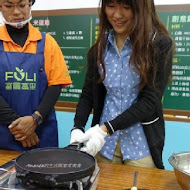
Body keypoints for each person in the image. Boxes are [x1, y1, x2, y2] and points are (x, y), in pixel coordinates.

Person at [70, 0, 175, 169]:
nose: (117, 15)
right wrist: (77, 128)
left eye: (127, 7)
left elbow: (150, 101)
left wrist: (105, 129)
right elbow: (88, 94)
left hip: (140, 145)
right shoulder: (100, 48)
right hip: (104, 145)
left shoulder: (159, 44)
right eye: (111, 6)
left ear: (141, 8)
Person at [0, 0, 72, 151]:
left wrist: (35, 120)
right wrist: (21, 128)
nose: (16, 12)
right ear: (0, 7)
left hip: (42, 133)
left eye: (21, 5)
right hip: (4, 134)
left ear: (30, 4)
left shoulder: (48, 43)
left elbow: (55, 85)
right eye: (9, 6)